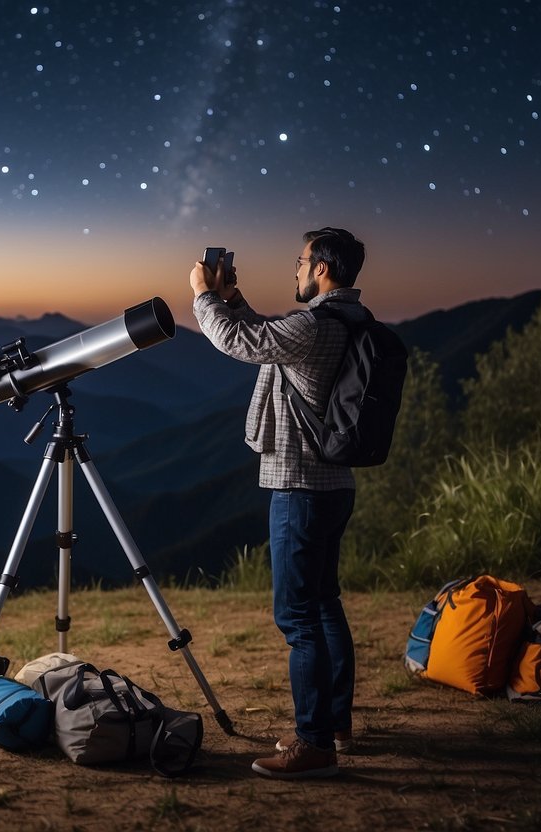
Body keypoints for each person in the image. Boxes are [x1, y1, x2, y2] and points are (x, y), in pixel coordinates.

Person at [189, 227, 369, 780]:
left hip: (300, 486)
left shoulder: (316, 325)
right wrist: (234, 300)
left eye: (300, 261)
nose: (294, 270)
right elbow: (270, 334)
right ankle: (333, 722)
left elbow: (243, 343)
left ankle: (313, 745)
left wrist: (202, 295)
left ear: (322, 270)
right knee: (323, 602)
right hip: (333, 485)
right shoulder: (348, 319)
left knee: (296, 616)